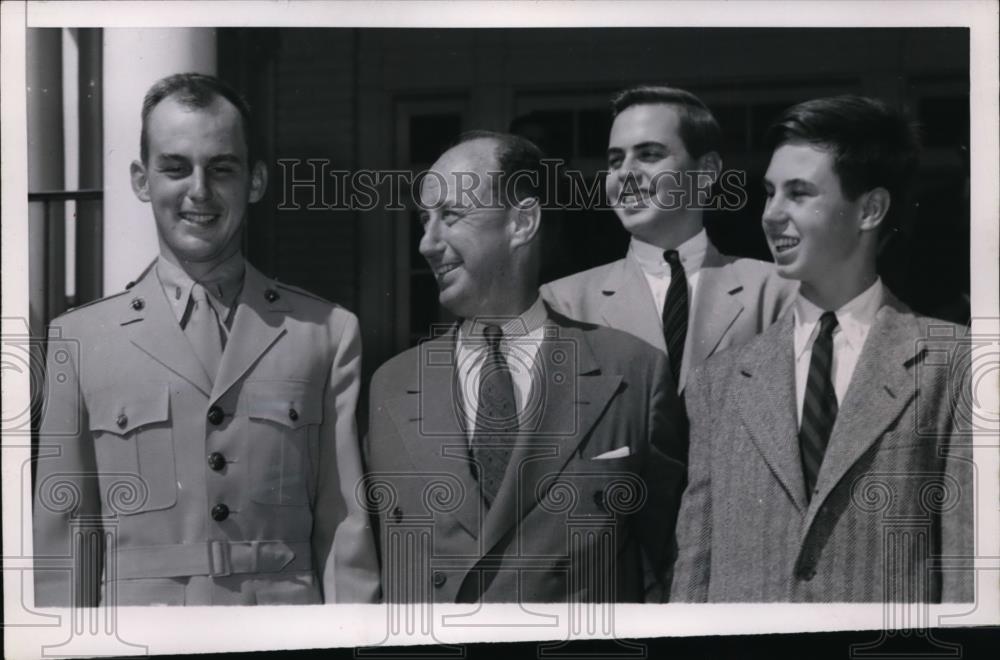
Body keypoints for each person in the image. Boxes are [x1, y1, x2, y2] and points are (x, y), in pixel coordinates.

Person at [33, 73, 379, 606]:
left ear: (256, 181)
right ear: (141, 180)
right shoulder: (79, 340)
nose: (199, 191)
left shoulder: (326, 333)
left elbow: (344, 534)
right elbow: (62, 552)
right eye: (175, 168)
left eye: (221, 168)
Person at [670, 95, 973, 602]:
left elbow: (970, 578)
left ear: (871, 209)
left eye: (799, 193)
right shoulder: (718, 383)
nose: (771, 214)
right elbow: (693, 578)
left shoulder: (954, 365)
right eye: (769, 193)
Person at [365, 131, 687, 603]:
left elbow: (674, 566)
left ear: (522, 222)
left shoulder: (633, 373)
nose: (426, 244)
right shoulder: (390, 387)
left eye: (450, 216)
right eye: (423, 221)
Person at [542, 85, 796, 390]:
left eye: (649, 155)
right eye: (614, 160)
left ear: (706, 171)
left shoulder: (776, 292)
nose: (625, 173)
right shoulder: (563, 303)